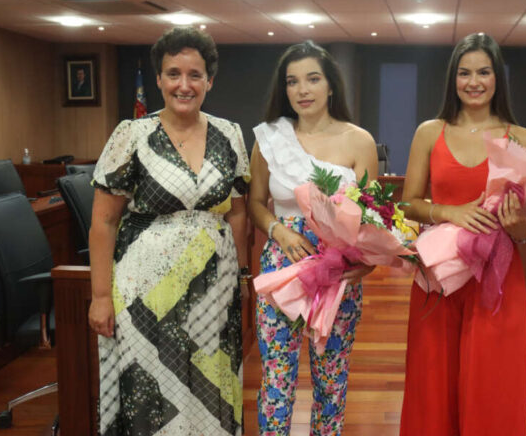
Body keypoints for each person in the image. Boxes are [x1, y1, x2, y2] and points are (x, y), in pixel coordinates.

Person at [88, 27, 250, 436]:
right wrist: (101, 296)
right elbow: (103, 222)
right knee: (149, 394)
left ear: (210, 81)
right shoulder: (131, 135)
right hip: (145, 294)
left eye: (195, 75)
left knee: (211, 388)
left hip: (214, 291)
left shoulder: (230, 134)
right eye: (173, 74)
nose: (184, 85)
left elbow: (238, 212)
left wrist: (241, 276)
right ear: (158, 79)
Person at [399, 32, 526, 435]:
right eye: (464, 73)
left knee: (491, 384)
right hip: (439, 276)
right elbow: (408, 203)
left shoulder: (521, 138)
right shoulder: (430, 132)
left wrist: (521, 227)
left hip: (498, 278)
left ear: (497, 79)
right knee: (433, 381)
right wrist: (449, 212)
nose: (473, 82)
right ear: (453, 79)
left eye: (483, 72)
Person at [248, 41, 378, 435]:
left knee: (331, 380)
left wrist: (367, 262)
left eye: (313, 79)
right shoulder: (269, 138)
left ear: (331, 85)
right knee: (277, 379)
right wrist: (279, 230)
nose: (302, 90)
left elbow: (372, 215)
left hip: (336, 271)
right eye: (292, 82)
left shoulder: (359, 140)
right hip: (282, 269)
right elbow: (255, 202)